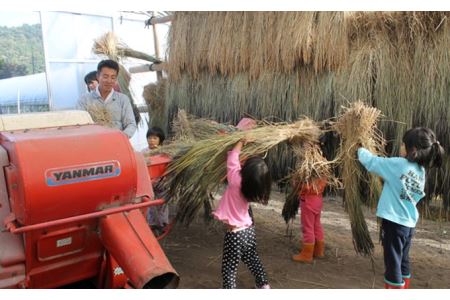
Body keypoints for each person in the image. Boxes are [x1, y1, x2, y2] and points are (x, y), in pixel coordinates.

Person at [357, 127, 444, 289]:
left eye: (403, 145)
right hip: (408, 224)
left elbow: (372, 162)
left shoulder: (399, 165)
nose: (400, 148)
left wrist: (360, 148)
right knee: (402, 259)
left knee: (392, 264)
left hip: (394, 223)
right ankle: (405, 287)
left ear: (413, 150)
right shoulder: (421, 171)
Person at [212, 138, 272, 289]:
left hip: (235, 235)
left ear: (245, 171)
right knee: (252, 259)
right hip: (248, 231)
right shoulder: (253, 188)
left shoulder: (235, 180)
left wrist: (241, 141)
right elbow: (238, 163)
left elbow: (233, 157)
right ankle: (264, 285)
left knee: (229, 270)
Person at [78, 59, 137, 138]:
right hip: (93, 143)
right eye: (105, 77)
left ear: (116, 79)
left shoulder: (123, 99)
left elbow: (131, 124)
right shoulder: (84, 100)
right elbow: (80, 125)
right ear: (98, 76)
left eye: (113, 77)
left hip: (118, 143)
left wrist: (121, 138)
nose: (109, 81)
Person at [292, 176, 327, 263]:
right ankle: (319, 251)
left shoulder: (308, 174)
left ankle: (307, 255)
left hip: (308, 202)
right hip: (318, 200)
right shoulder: (322, 173)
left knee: (307, 227)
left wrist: (296, 183)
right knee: (316, 225)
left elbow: (305, 187)